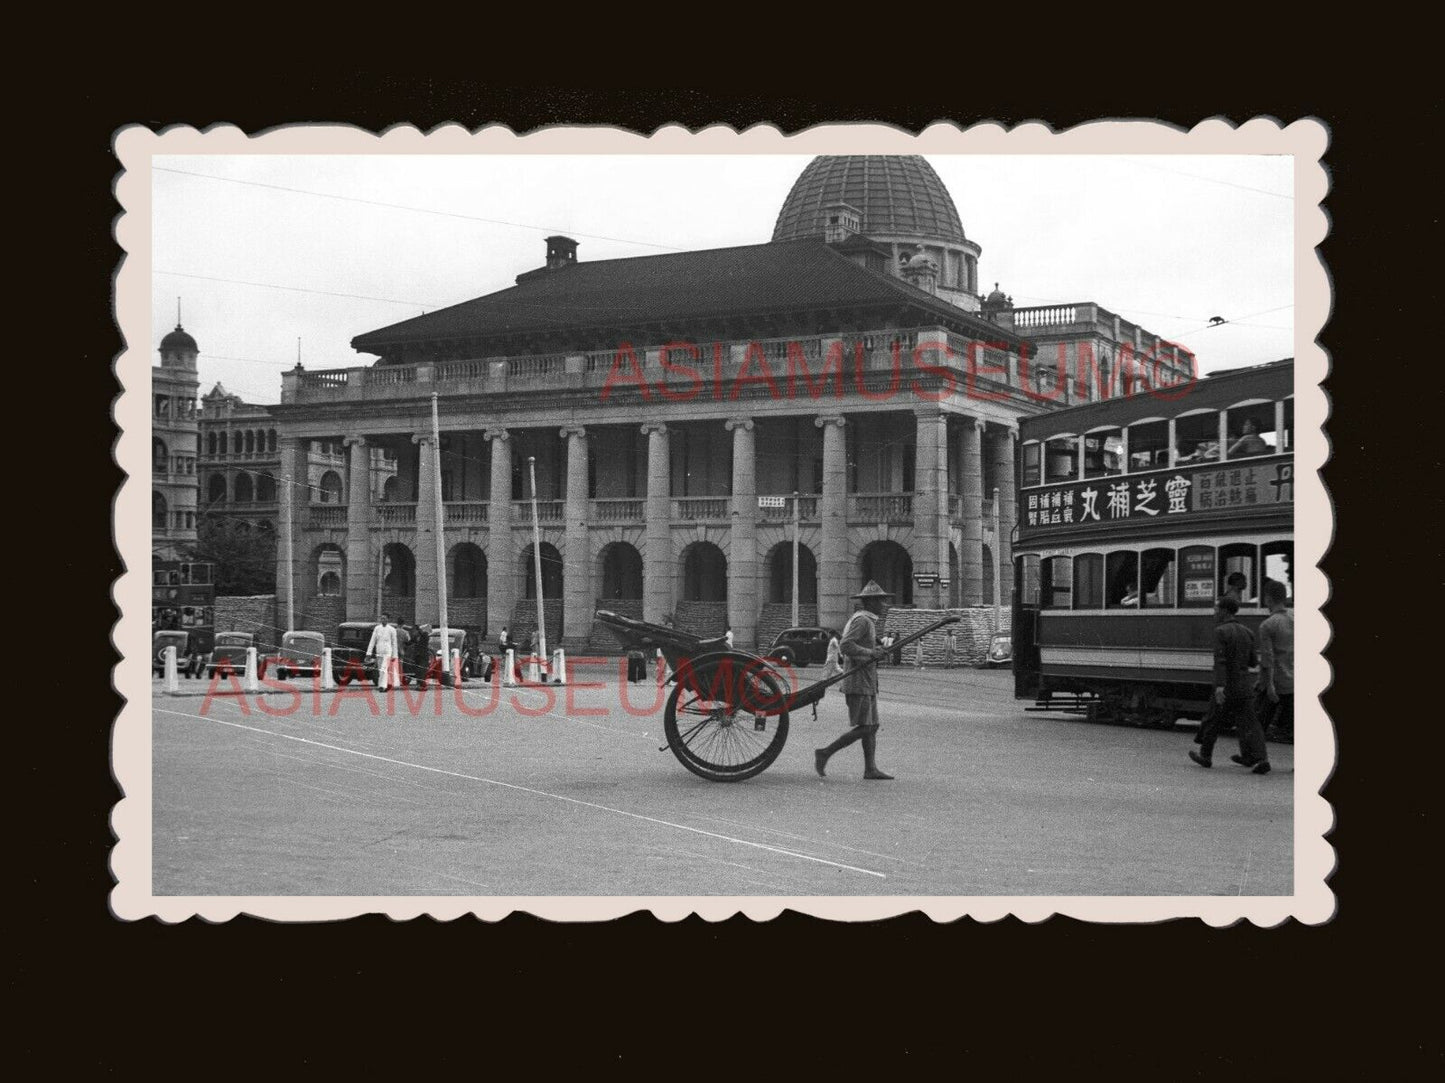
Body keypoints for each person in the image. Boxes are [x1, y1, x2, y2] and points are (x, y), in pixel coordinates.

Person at [814, 581, 895, 781]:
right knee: (867, 726)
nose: (883, 605)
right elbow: (846, 645)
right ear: (871, 602)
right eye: (880, 601)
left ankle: (870, 768)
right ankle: (825, 752)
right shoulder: (862, 621)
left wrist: (876, 650)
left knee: (872, 725)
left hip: (866, 679)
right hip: (858, 679)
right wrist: (871, 653)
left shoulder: (866, 621)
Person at [1190, 596, 1269, 773]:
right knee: (1250, 723)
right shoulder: (1247, 632)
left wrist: (1219, 686)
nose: (1215, 613)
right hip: (1244, 685)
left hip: (1227, 685)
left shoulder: (1220, 632)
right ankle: (1259, 758)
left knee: (1213, 718)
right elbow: (1253, 662)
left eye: (1217, 609)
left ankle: (1206, 755)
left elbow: (1220, 661)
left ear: (1225, 611)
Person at [1257, 579, 1294, 742]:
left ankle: (1253, 756)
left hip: (1277, 682)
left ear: (1268, 599)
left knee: (1259, 722)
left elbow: (1268, 657)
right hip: (1294, 679)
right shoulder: (1295, 618)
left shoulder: (1268, 625)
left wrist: (1268, 684)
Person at [365, 613, 399, 691]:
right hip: (379, 652)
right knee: (380, 669)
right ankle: (382, 685)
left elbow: (394, 643)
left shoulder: (392, 630)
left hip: (388, 652)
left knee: (384, 668)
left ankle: (382, 686)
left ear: (388, 619)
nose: (382, 620)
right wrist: (368, 653)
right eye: (381, 618)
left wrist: (394, 655)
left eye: (384, 618)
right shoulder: (377, 629)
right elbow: (372, 641)